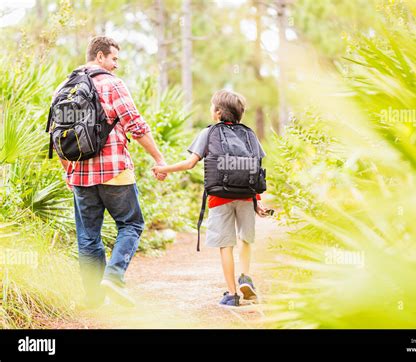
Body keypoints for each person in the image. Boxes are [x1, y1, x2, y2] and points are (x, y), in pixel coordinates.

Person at [51, 36, 167, 308]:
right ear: (100, 56)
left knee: (88, 237)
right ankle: (114, 278)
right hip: (115, 171)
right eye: (114, 58)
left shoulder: (63, 88)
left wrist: (69, 171)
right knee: (131, 224)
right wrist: (158, 158)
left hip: (80, 175)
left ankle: (92, 298)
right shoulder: (113, 84)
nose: (116, 65)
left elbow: (58, 138)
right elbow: (135, 126)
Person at [153, 89, 268, 308]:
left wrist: (163, 168)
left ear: (217, 112)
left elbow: (189, 164)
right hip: (246, 196)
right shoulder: (249, 134)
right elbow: (255, 168)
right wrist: (258, 200)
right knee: (246, 239)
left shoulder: (209, 133)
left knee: (226, 245)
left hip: (219, 196)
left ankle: (232, 294)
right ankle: (245, 277)